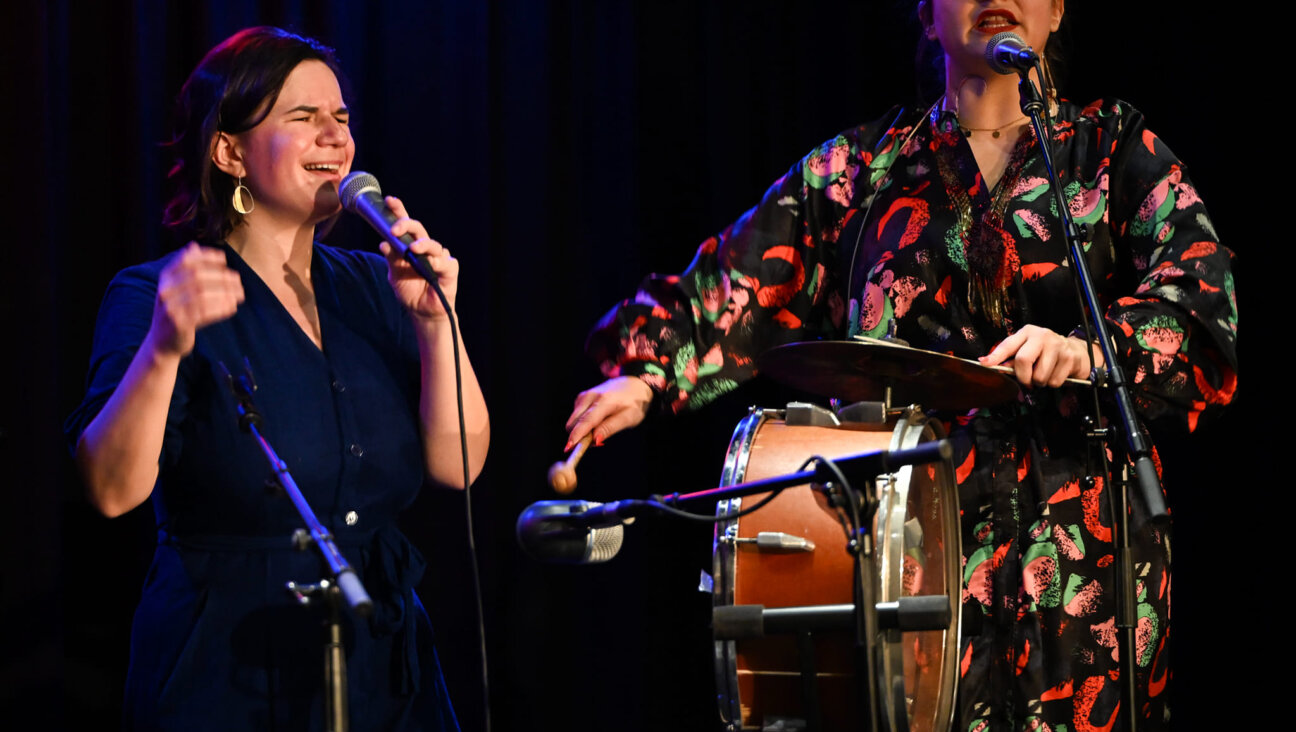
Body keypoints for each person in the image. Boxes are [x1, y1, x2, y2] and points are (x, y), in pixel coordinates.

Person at [565, 1, 1236, 729]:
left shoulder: (1113, 152)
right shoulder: (865, 168)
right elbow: (742, 282)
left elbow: (1201, 306)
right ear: (926, 17)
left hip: (1085, 561)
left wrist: (1086, 347)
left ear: (1055, 12)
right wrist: (650, 368)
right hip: (913, 551)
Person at [65, 27, 488, 731]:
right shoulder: (157, 295)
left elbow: (460, 465)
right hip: (226, 669)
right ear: (229, 151)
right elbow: (111, 490)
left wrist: (437, 325)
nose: (335, 137)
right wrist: (164, 350)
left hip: (382, 662)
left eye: (342, 118)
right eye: (303, 118)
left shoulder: (374, 285)